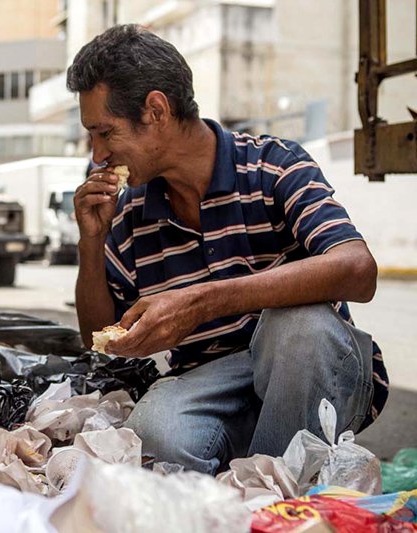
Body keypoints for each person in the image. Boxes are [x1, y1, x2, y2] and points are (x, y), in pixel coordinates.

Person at [68, 25, 388, 474]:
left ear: (156, 111)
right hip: (211, 387)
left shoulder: (272, 164)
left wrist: (204, 301)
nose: (98, 154)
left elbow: (357, 269)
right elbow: (97, 336)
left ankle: (273, 500)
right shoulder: (129, 210)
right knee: (155, 433)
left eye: (105, 133)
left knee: (303, 327)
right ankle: (257, 474)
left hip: (311, 374)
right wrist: (91, 240)